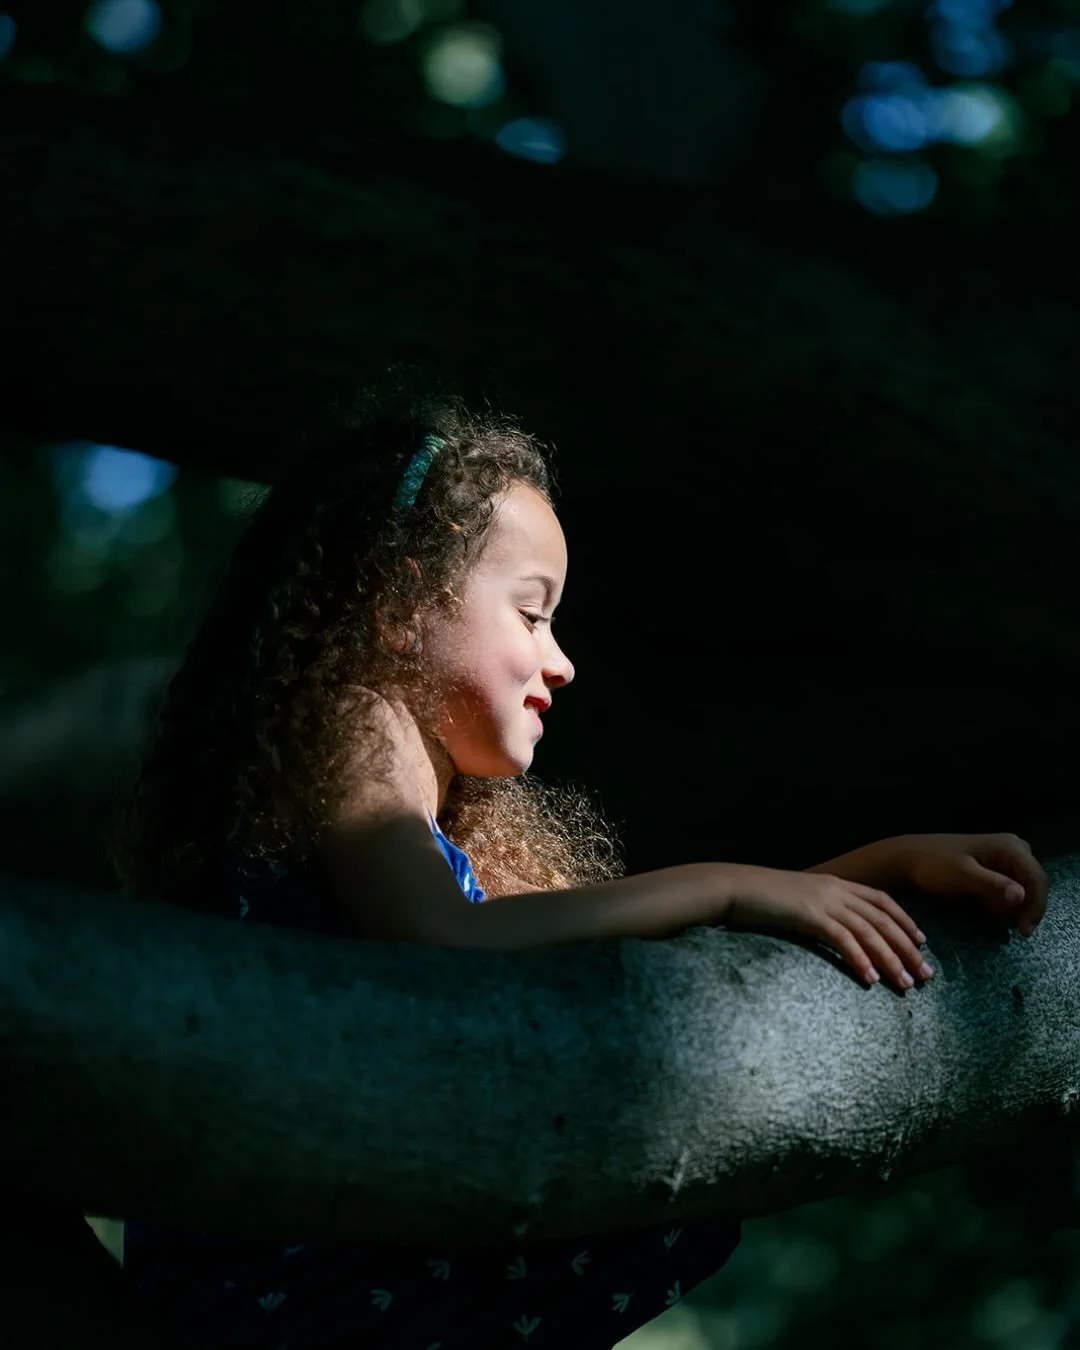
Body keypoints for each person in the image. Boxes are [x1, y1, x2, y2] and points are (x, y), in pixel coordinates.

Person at [111, 384, 1049, 1349]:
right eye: (532, 614)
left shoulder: (441, 827)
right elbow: (446, 940)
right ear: (397, 602)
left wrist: (874, 867)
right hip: (274, 1281)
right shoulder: (356, 717)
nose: (560, 661)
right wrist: (733, 882)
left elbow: (587, 950)